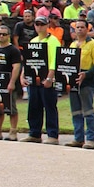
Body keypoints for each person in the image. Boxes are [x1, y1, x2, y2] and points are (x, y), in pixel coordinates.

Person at [64, 20, 94, 149]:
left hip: (87, 81)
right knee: (76, 111)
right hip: (73, 81)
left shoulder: (93, 45)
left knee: (88, 111)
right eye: (77, 27)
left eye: (82, 27)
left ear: (87, 29)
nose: (79, 29)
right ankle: (78, 138)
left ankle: (91, 139)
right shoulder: (73, 45)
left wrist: (86, 74)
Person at [21, 16, 60, 144]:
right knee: (33, 106)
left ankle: (52, 135)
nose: (39, 27)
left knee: (49, 107)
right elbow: (28, 61)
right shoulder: (33, 41)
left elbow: (55, 60)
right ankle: (34, 133)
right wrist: (23, 75)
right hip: (34, 79)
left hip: (47, 79)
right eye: (37, 24)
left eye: (42, 24)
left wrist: (50, 77)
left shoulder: (53, 41)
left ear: (47, 25)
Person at [0, 21, 22, 140]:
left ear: (9, 35)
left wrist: (12, 82)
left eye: (4, 34)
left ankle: (13, 132)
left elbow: (16, 67)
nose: (1, 36)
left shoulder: (13, 50)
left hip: (9, 83)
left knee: (11, 108)